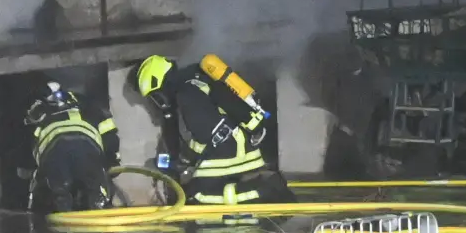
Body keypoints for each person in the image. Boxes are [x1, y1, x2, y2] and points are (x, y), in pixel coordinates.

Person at [132, 54, 294, 215]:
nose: (158, 102)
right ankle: (262, 188)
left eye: (156, 96)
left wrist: (185, 158)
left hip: (230, 157)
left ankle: (263, 191)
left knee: (197, 195)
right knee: (203, 187)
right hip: (247, 151)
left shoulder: (187, 95)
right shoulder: (197, 80)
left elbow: (205, 135)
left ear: (160, 83)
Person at [25, 81, 123, 213]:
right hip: (87, 148)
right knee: (97, 193)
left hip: (54, 153)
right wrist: (112, 159)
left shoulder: (39, 114)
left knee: (59, 197)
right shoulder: (88, 106)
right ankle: (99, 211)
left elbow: (32, 148)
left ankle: (62, 218)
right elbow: (109, 133)